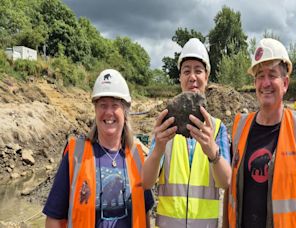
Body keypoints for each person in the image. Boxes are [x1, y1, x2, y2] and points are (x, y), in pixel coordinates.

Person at [223, 38, 296, 228]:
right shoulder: (239, 128)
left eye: (272, 75)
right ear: (254, 83)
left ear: (285, 83)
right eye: (260, 75)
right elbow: (230, 192)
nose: (266, 83)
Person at [43, 69, 154, 227]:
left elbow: (145, 212)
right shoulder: (76, 155)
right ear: (95, 109)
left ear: (125, 111)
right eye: (103, 105)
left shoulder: (136, 155)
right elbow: (53, 218)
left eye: (115, 105)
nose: (108, 112)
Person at [142, 38, 232, 228]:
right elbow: (147, 182)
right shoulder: (166, 125)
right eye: (186, 71)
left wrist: (212, 152)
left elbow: (226, 182)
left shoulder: (217, 128)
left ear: (206, 77)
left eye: (198, 70)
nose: (192, 77)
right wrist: (158, 147)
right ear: (180, 78)